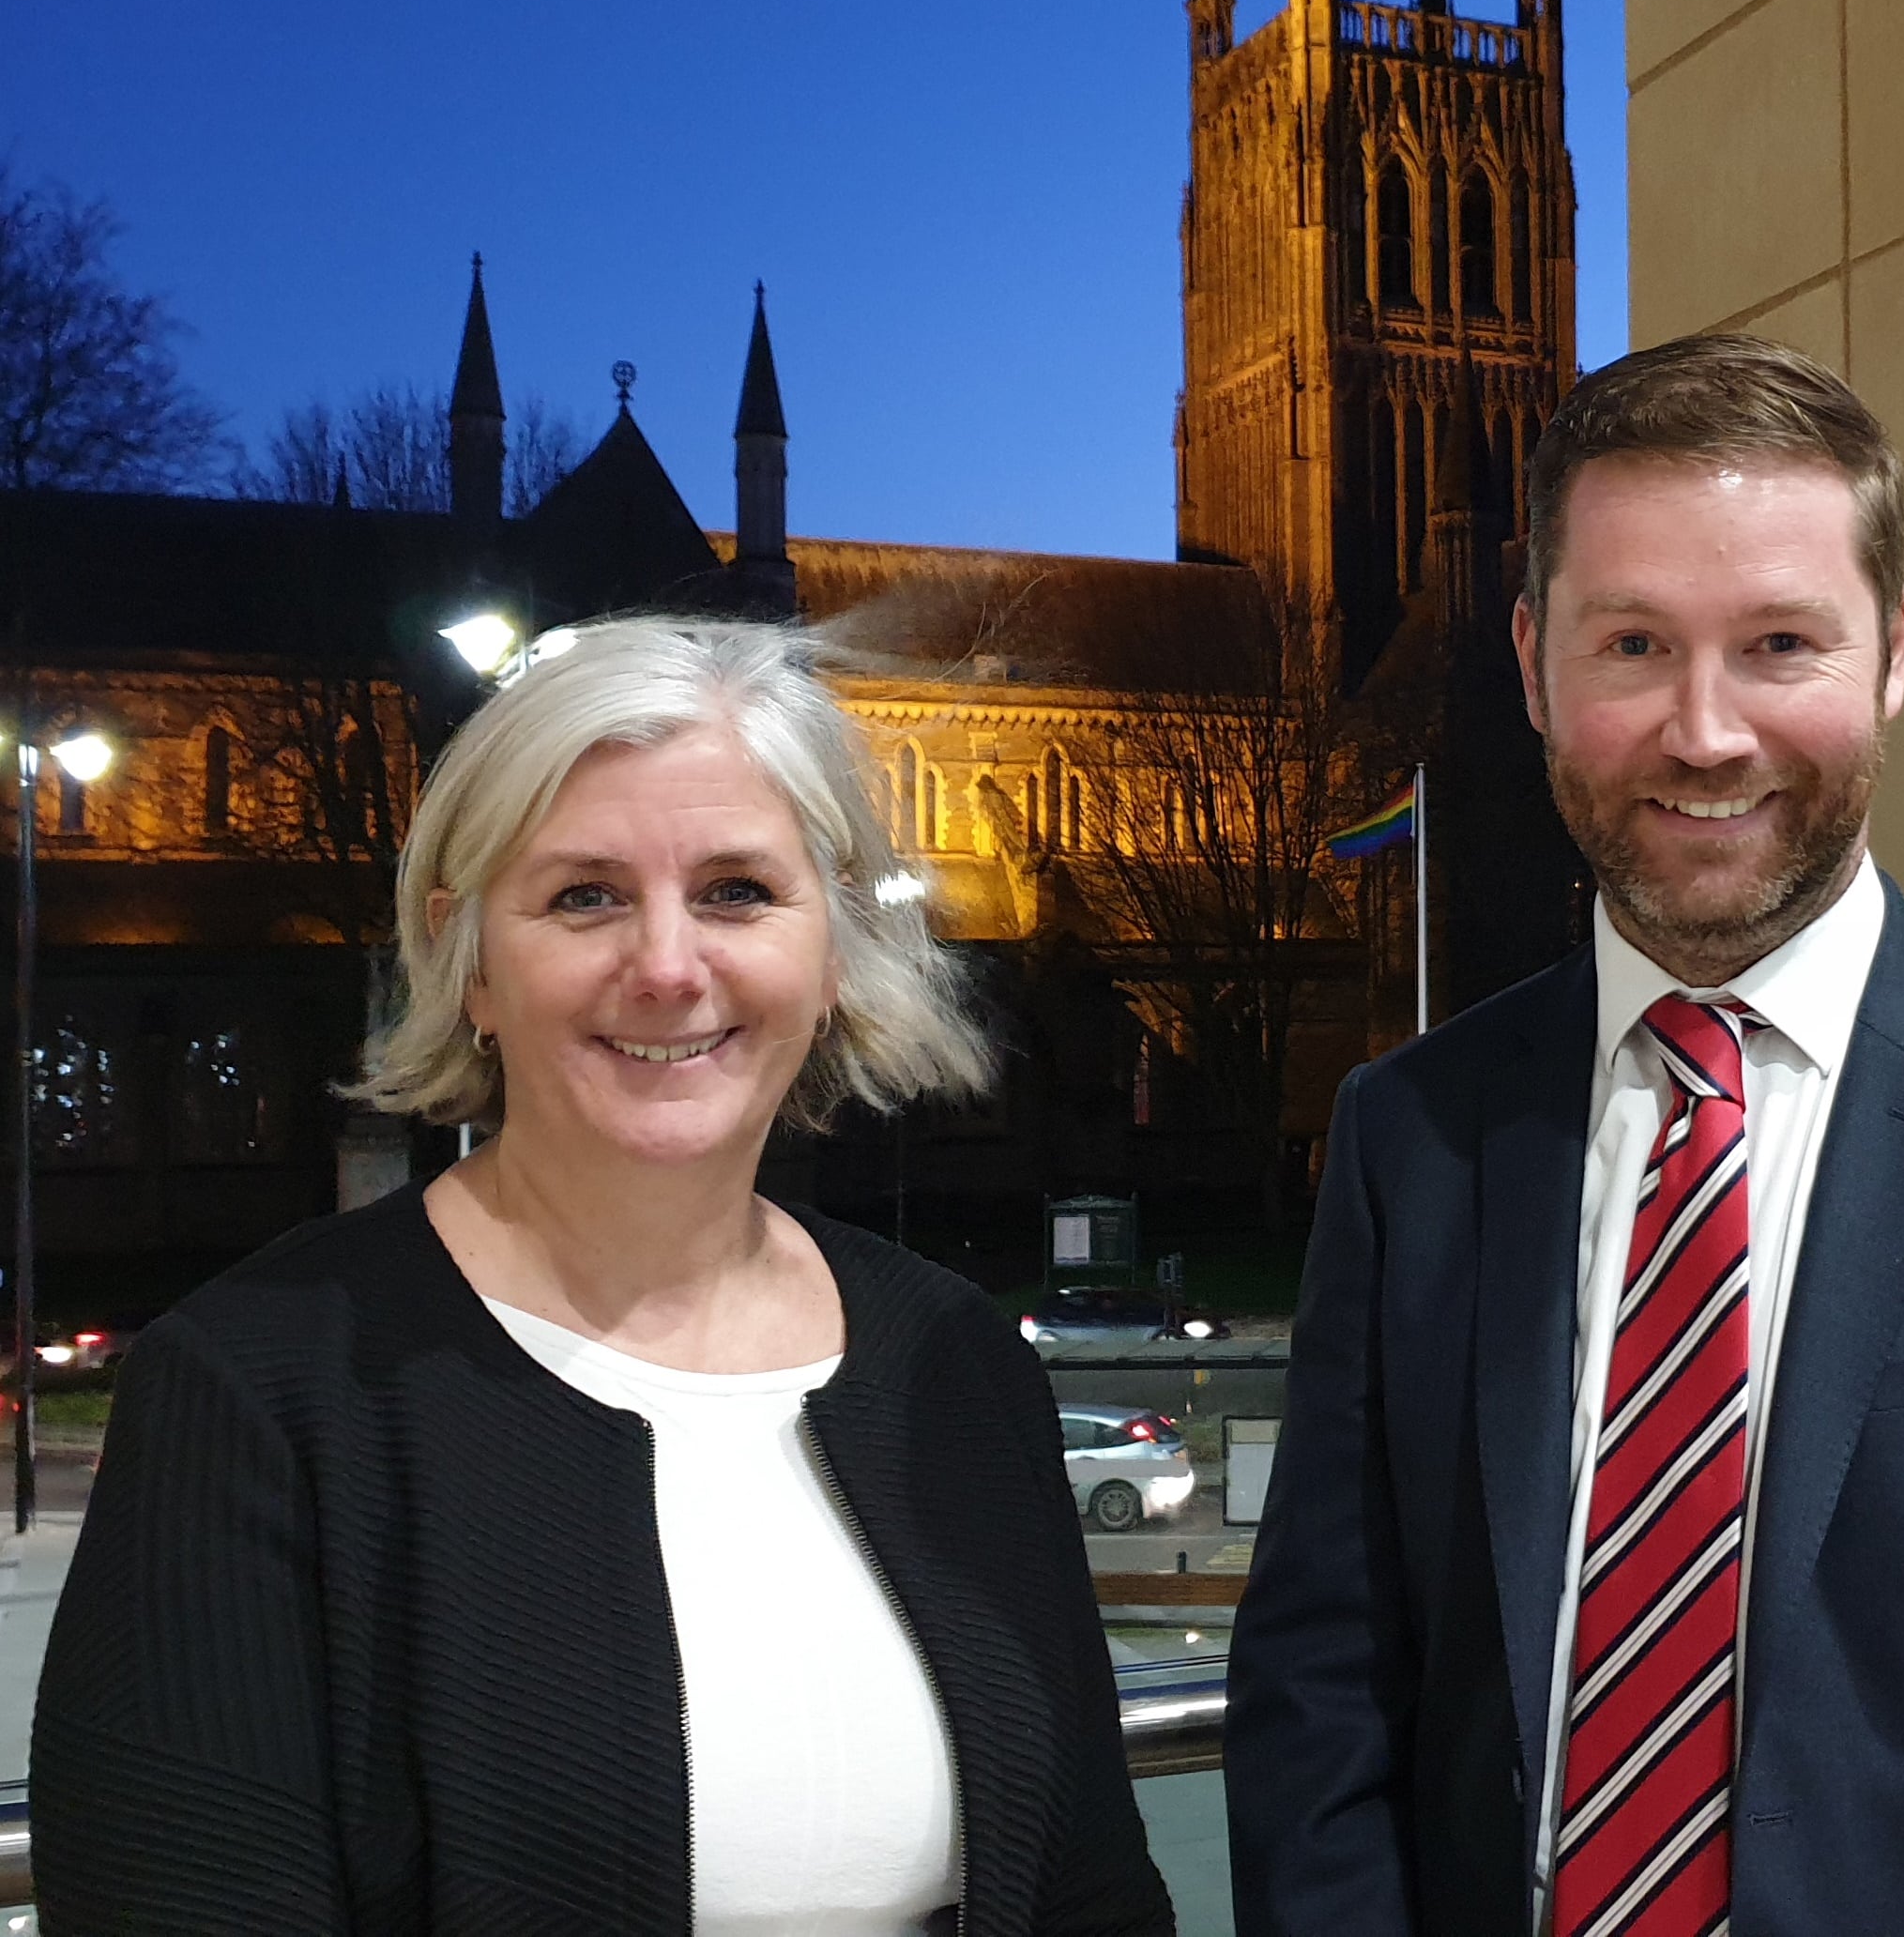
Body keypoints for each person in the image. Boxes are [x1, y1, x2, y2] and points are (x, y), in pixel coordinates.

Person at [1225, 336, 1904, 1936]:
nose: (1705, 731)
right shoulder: (1414, 1136)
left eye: (1777, 645)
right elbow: (1319, 1697)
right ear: (1533, 662)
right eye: (1631, 644)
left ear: (1891, 653)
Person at [33, 616, 1173, 1937]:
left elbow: (1092, 1890)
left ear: (833, 949)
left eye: (737, 891)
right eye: (585, 896)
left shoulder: (954, 1363)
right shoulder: (256, 1394)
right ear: (470, 963)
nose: (669, 968)